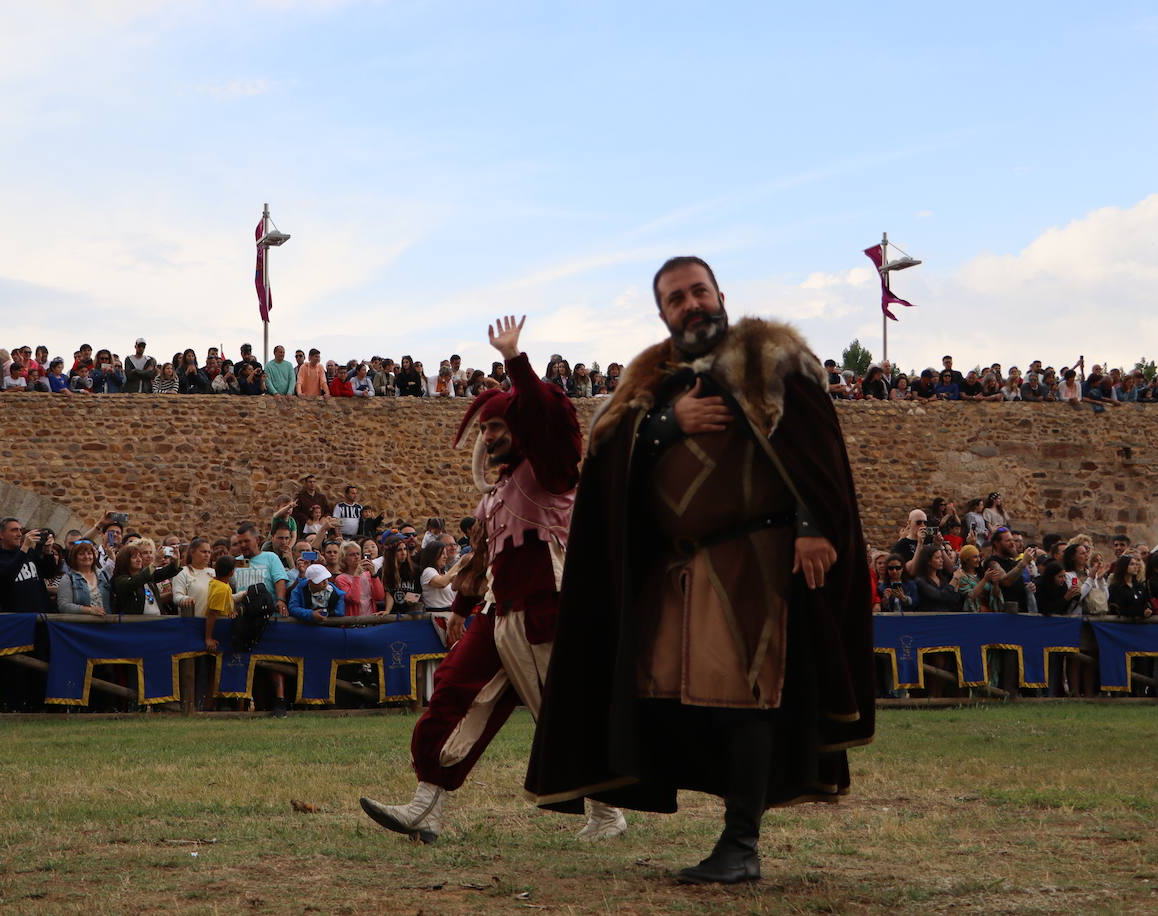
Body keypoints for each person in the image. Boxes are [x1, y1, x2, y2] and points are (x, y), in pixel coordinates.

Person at [523, 257, 874, 885]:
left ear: (720, 294)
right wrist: (668, 423)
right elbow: (609, 453)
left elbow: (814, 448)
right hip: (674, 568)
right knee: (672, 696)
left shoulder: (769, 357)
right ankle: (732, 830)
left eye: (698, 291)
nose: (690, 305)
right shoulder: (650, 382)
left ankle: (740, 845)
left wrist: (813, 523)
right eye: (676, 299)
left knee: (743, 695)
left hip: (754, 559)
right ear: (663, 313)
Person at [360, 315, 628, 846]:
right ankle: (426, 808)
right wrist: (462, 608)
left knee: (566, 712)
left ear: (521, 427)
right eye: (484, 429)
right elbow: (483, 558)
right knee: (453, 695)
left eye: (497, 427)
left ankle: (607, 813)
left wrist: (515, 362)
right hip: (499, 613)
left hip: (550, 612)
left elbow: (552, 422)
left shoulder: (551, 473)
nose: (489, 436)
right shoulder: (496, 494)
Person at [0, 518, 59, 613]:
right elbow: (8, 575)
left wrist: (47, 551)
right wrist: (25, 547)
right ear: (1, 534)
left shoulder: (28, 552)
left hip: (42, 613)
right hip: (17, 616)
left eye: (20, 530)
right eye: (14, 530)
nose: (19, 534)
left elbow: (48, 573)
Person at [58, 539, 113, 615]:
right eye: (81, 554)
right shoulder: (68, 578)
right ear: (74, 557)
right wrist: (89, 610)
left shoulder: (104, 575)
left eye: (89, 553)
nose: (86, 556)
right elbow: (64, 606)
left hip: (107, 620)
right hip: (81, 622)